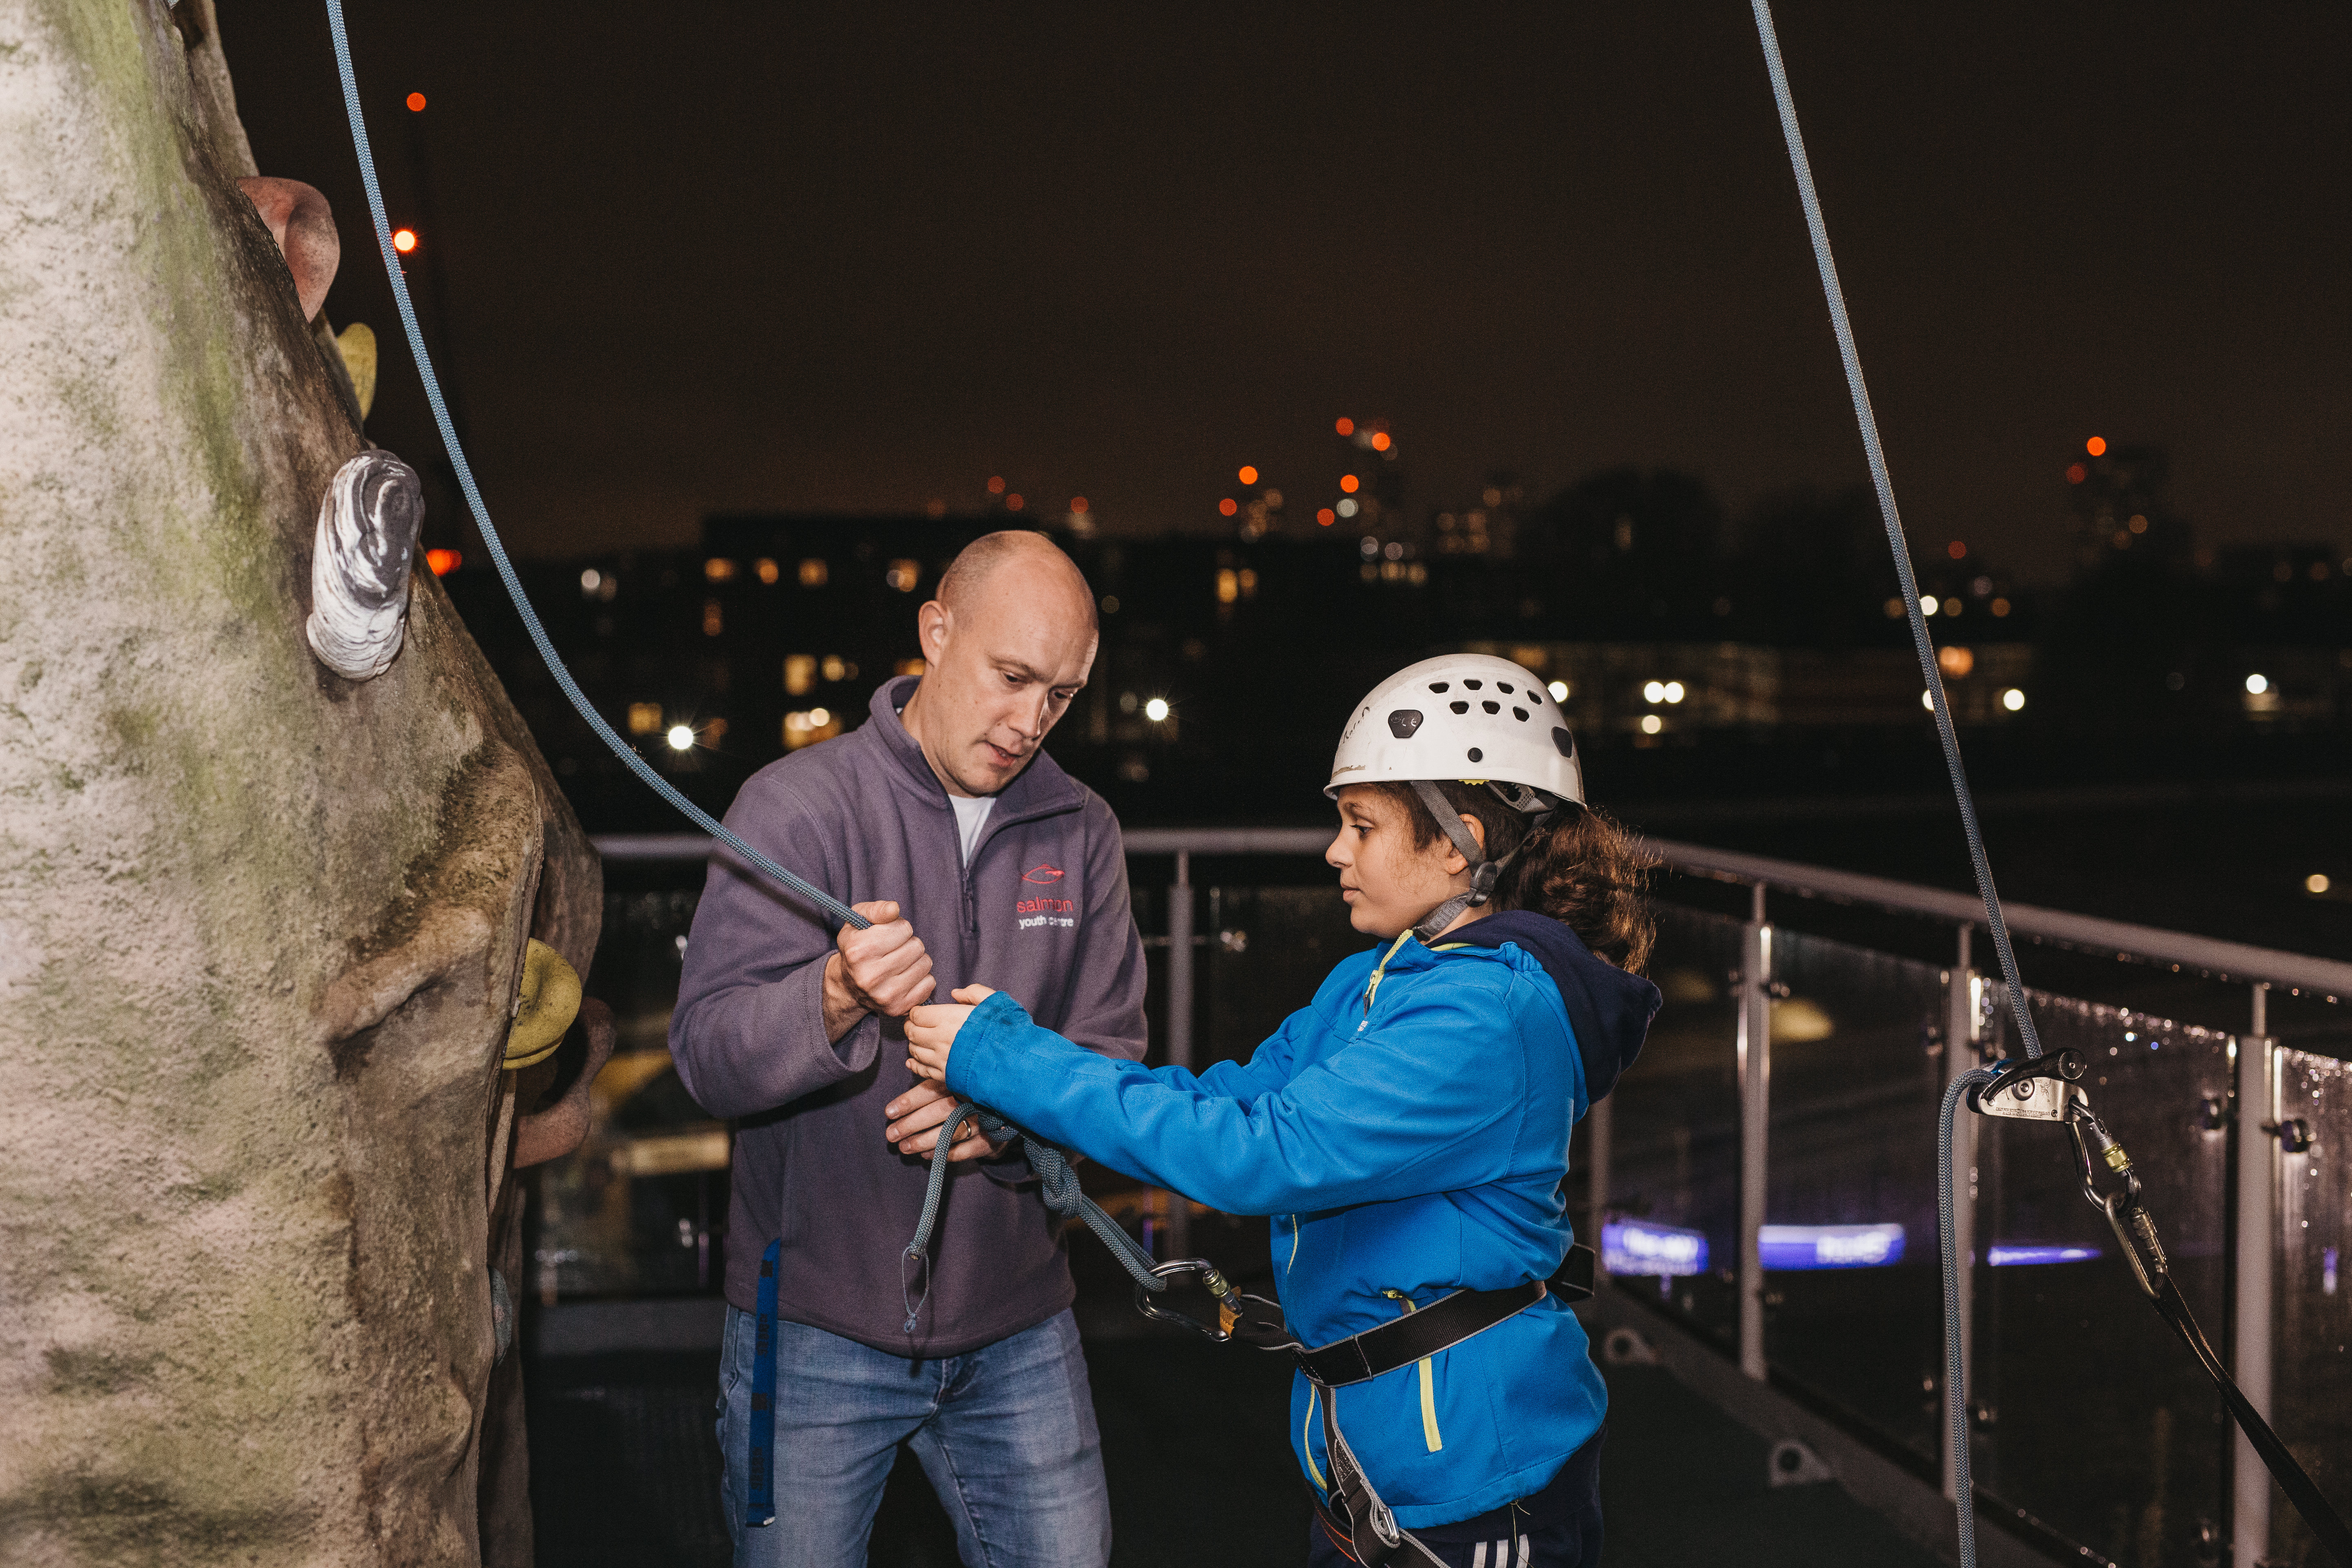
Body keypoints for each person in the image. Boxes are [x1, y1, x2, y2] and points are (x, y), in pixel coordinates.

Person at [904, 654, 1660, 1568]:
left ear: (1458, 845)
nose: (1335, 851)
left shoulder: (1486, 1017)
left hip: (1472, 1479)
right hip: (1379, 1457)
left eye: (1362, 825)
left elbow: (1265, 1154)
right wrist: (1030, 1110)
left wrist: (1004, 1056)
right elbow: (1231, 1101)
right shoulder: (1378, 980)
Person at [670, 530, 1147, 1568]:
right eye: (1011, 677)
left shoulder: (1085, 830)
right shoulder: (796, 808)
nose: (1030, 723)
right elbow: (706, 1057)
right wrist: (833, 995)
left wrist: (1011, 1116)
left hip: (1020, 1320)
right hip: (812, 1330)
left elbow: (1112, 1064)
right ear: (936, 633)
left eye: (1060, 696)